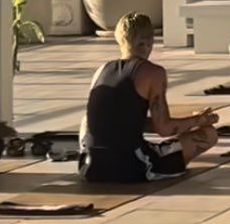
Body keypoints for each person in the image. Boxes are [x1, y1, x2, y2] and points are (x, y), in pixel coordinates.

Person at [79, 12, 219, 183]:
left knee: (88, 118)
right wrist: (199, 120)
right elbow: (164, 129)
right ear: (148, 42)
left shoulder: (101, 70)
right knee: (209, 134)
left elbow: (116, 121)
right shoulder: (153, 73)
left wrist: (192, 121)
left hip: (91, 166)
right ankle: (170, 162)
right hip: (131, 166)